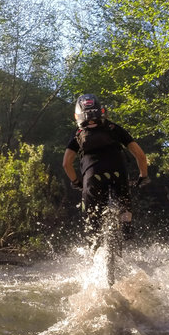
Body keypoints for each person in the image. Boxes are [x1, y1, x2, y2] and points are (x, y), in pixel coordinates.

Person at [62, 94, 149, 240]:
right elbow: (140, 155)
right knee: (124, 203)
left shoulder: (78, 133)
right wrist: (143, 176)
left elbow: (66, 163)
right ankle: (127, 228)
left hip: (92, 177)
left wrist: (76, 182)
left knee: (91, 218)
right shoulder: (114, 128)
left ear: (77, 115)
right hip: (118, 172)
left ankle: (94, 246)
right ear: (101, 111)